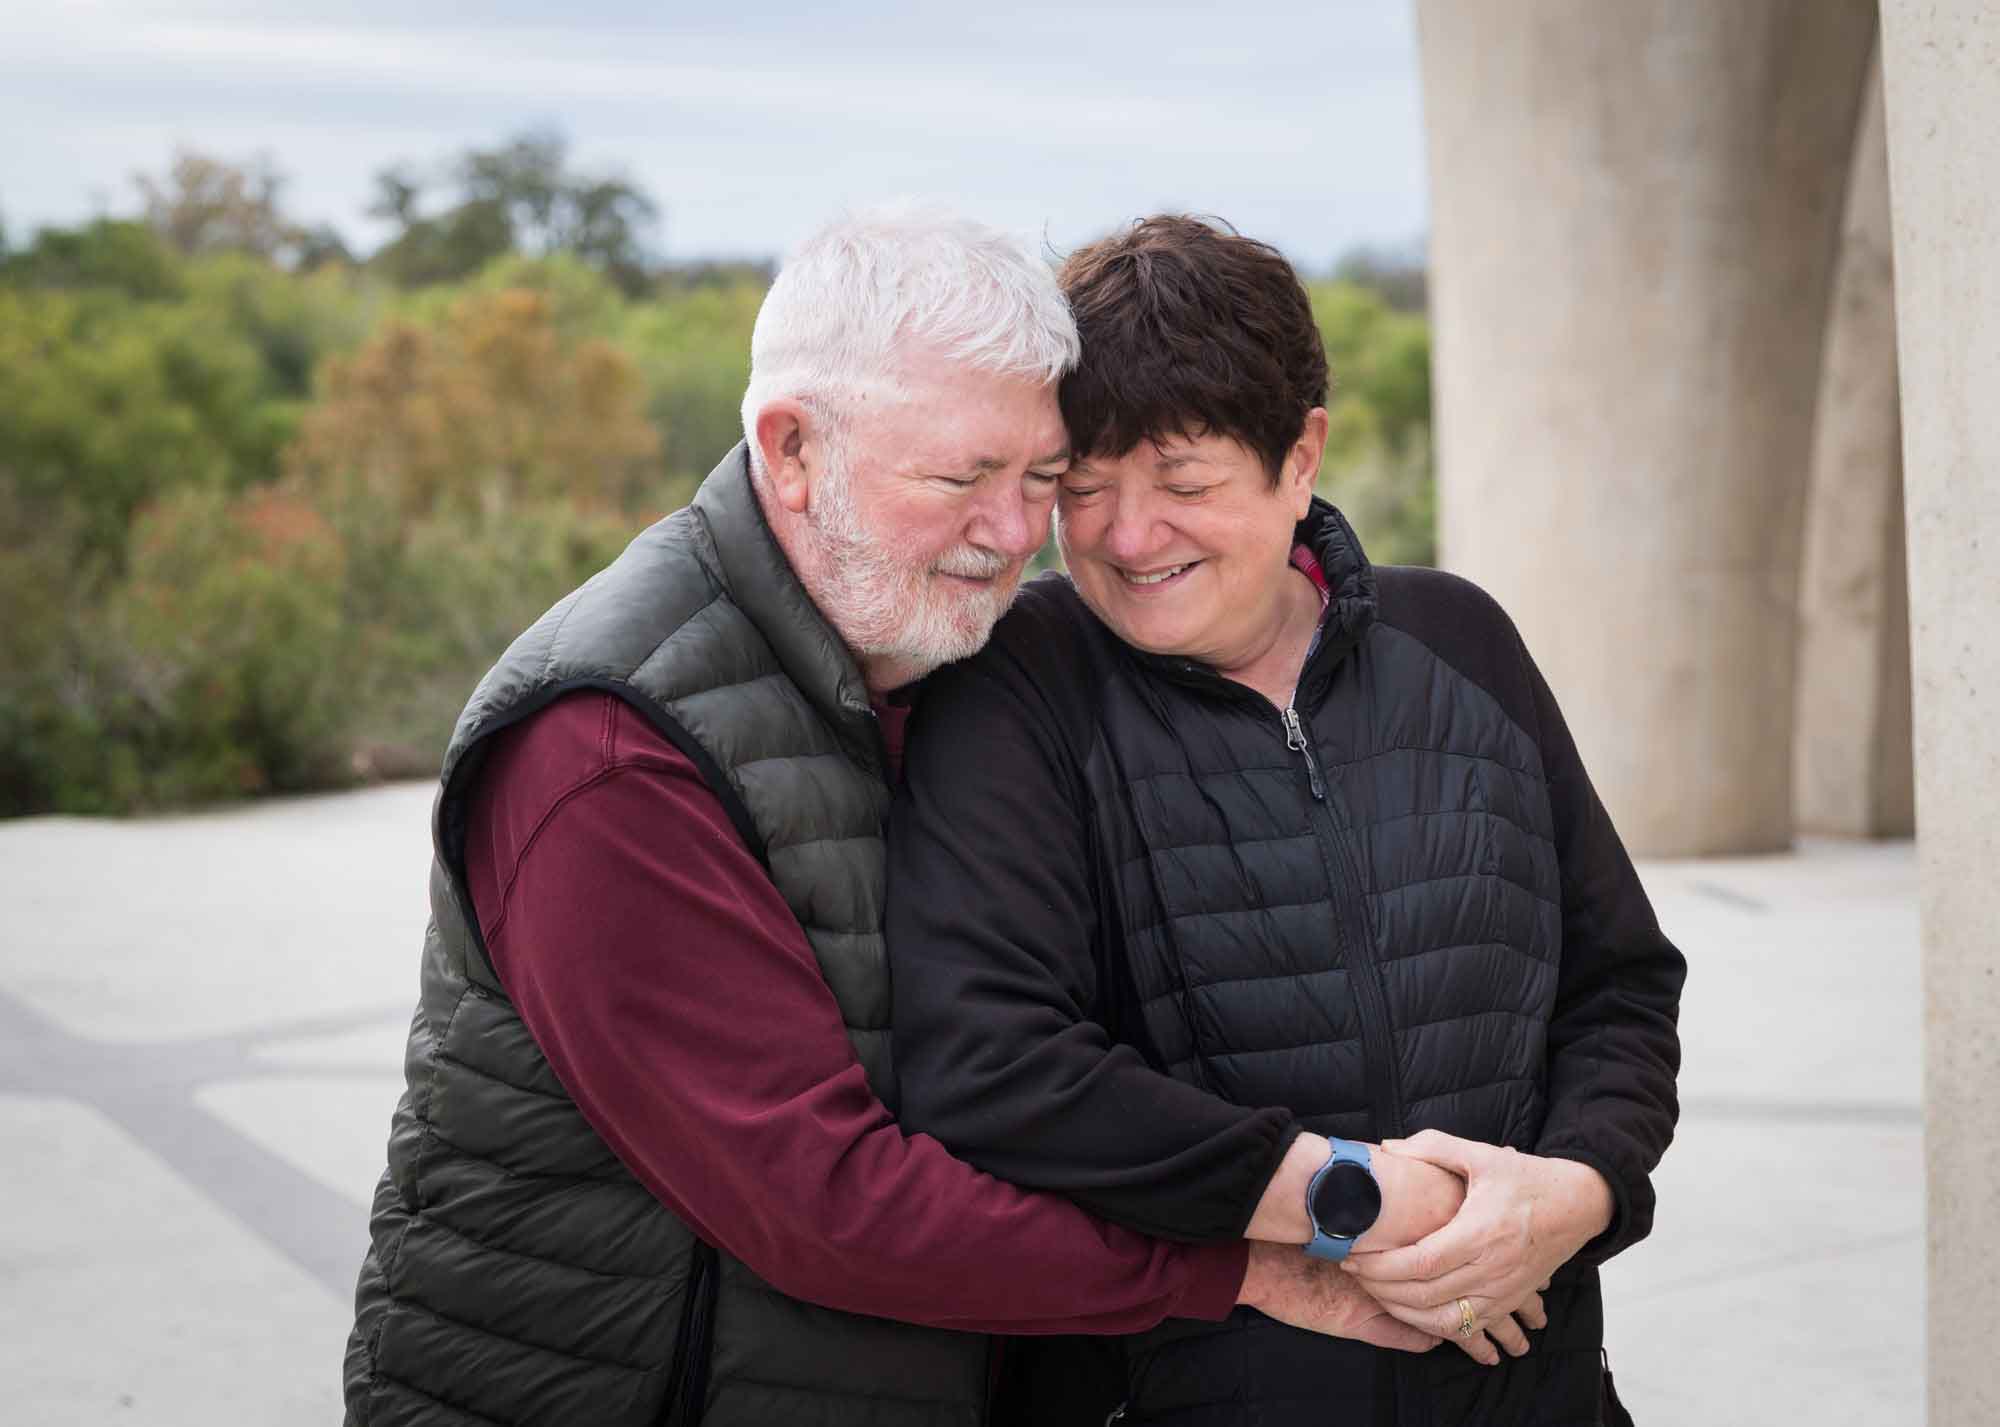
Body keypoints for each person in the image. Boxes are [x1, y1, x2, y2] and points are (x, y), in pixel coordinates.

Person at [341, 207, 1468, 1427]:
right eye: (957, 478)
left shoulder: (930, 658)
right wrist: (1251, 1261)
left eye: (1039, 478)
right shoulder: (609, 749)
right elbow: (824, 1203)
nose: (1007, 534)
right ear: (789, 449)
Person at [887, 215, 1687, 1426]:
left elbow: (1617, 985)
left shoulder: (1460, 642)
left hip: (1534, 1390)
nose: (1124, 534)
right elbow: (989, 1066)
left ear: (1299, 454)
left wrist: (1575, 1189)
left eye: (1184, 481)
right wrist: (1350, 1199)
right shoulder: (1016, 686)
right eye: (1082, 487)